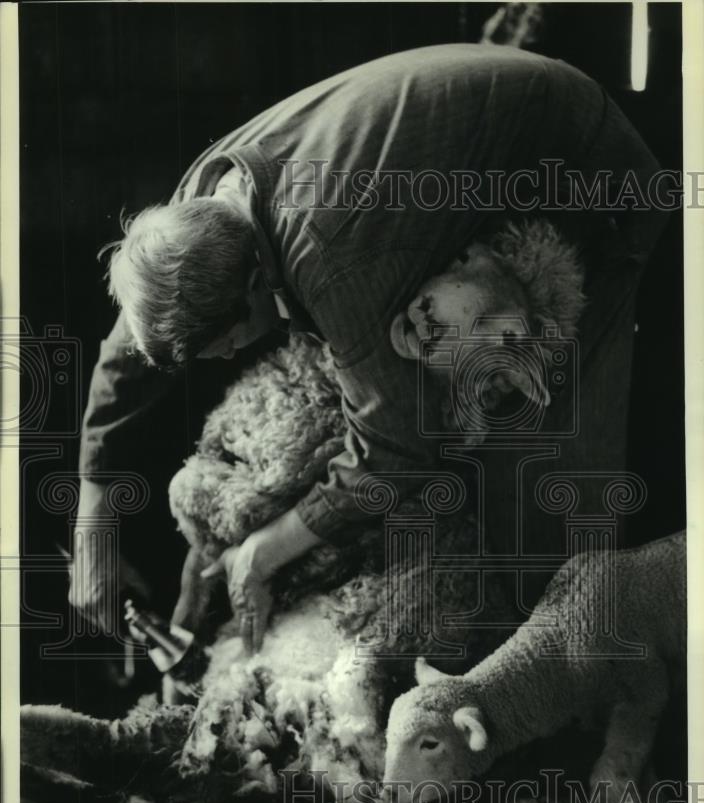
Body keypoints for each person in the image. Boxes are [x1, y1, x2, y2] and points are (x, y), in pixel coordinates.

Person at [71, 43, 668, 654]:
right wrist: (94, 514)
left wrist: (264, 548)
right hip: (476, 146)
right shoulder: (202, 212)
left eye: (224, 344)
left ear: (254, 285)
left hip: (586, 176)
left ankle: (568, 690)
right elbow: (128, 352)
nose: (226, 358)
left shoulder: (328, 258)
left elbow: (397, 445)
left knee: (534, 507)